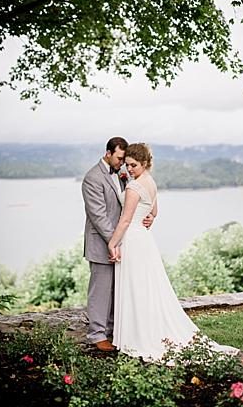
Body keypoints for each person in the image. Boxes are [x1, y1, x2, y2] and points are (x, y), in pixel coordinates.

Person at [105, 143, 237, 361]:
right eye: (127, 165)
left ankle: (137, 337)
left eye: (134, 165)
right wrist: (147, 216)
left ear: (145, 163)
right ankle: (141, 332)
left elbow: (125, 219)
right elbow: (154, 211)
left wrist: (112, 243)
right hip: (144, 241)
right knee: (145, 287)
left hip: (132, 240)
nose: (129, 169)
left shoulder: (133, 187)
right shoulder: (149, 182)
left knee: (136, 287)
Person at [81, 137, 153, 352]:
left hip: (123, 241)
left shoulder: (122, 174)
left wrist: (147, 217)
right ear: (108, 153)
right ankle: (96, 334)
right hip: (103, 241)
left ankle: (113, 331)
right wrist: (115, 242)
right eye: (120, 159)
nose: (123, 165)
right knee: (100, 290)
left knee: (118, 290)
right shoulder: (92, 178)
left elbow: (133, 204)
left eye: (126, 161)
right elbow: (99, 216)